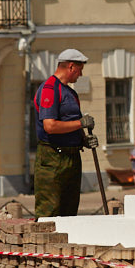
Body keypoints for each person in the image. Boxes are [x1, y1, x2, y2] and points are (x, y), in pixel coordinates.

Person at [33, 48, 97, 218]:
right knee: (50, 211)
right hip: (53, 158)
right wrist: (81, 123)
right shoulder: (50, 89)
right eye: (79, 70)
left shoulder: (70, 93)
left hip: (71, 156)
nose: (80, 74)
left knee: (69, 212)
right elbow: (50, 126)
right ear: (70, 67)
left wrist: (84, 140)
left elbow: (72, 121)